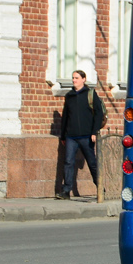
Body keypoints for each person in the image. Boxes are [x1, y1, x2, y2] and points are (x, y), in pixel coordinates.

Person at [57, 70, 105, 200]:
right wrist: (63, 136)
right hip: (71, 136)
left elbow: (99, 113)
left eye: (76, 78)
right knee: (68, 162)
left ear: (83, 79)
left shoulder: (90, 94)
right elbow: (65, 117)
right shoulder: (69, 96)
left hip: (86, 136)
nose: (74, 80)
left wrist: (94, 132)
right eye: (73, 78)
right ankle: (66, 191)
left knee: (92, 163)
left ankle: (101, 188)